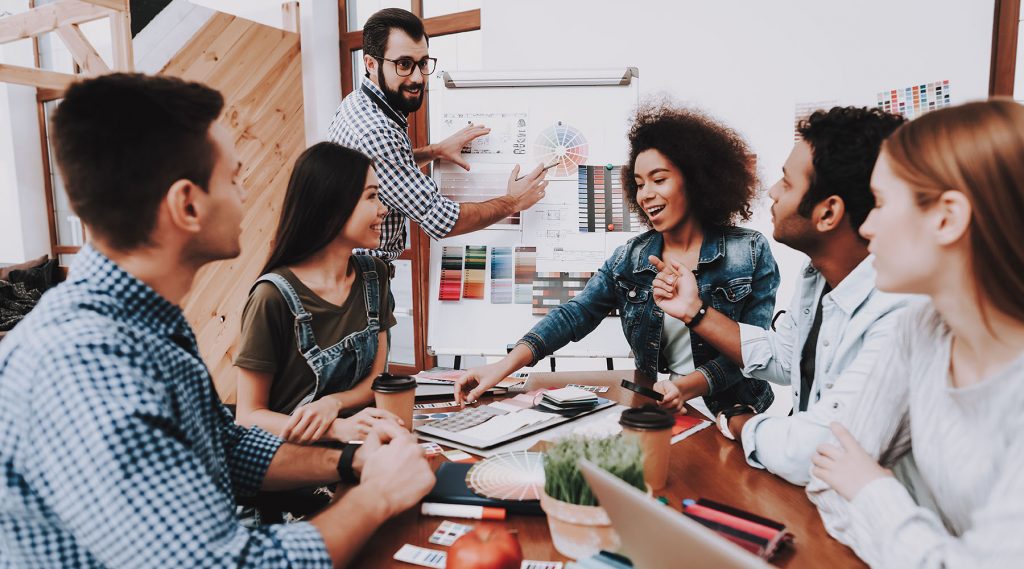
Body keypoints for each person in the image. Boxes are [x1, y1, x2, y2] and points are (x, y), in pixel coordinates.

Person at [0, 73, 434, 568]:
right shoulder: (85, 366)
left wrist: (350, 460)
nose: (245, 195)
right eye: (233, 178)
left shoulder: (147, 326)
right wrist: (376, 495)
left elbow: (226, 448)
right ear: (187, 204)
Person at [806, 100, 1024, 567]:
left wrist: (873, 490)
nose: (865, 226)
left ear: (947, 217)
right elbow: (827, 479)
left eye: (881, 203)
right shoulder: (921, 328)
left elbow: (855, 484)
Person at [455, 103, 780, 417]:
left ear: (695, 180)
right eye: (639, 184)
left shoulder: (749, 253)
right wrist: (501, 366)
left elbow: (751, 352)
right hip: (659, 409)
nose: (645, 194)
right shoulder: (630, 258)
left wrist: (687, 386)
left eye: (659, 179)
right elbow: (575, 314)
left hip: (738, 413)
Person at [650, 107, 908, 485]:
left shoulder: (898, 310)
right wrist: (694, 310)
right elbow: (783, 356)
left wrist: (742, 422)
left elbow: (816, 450)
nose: (772, 191)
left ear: (828, 212)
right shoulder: (817, 277)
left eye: (786, 183)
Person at [327, 8, 549, 264]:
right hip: (362, 283)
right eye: (404, 64)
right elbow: (442, 220)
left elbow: (384, 164)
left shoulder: (356, 102)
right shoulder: (376, 130)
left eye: (423, 63)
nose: (418, 77)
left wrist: (435, 150)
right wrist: (514, 201)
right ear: (370, 63)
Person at [234, 142, 400, 445]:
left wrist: (332, 403)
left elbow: (375, 382)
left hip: (363, 445)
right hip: (294, 462)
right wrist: (334, 428)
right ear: (331, 206)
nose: (383, 209)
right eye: (372, 196)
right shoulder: (272, 297)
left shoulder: (374, 275)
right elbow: (248, 416)